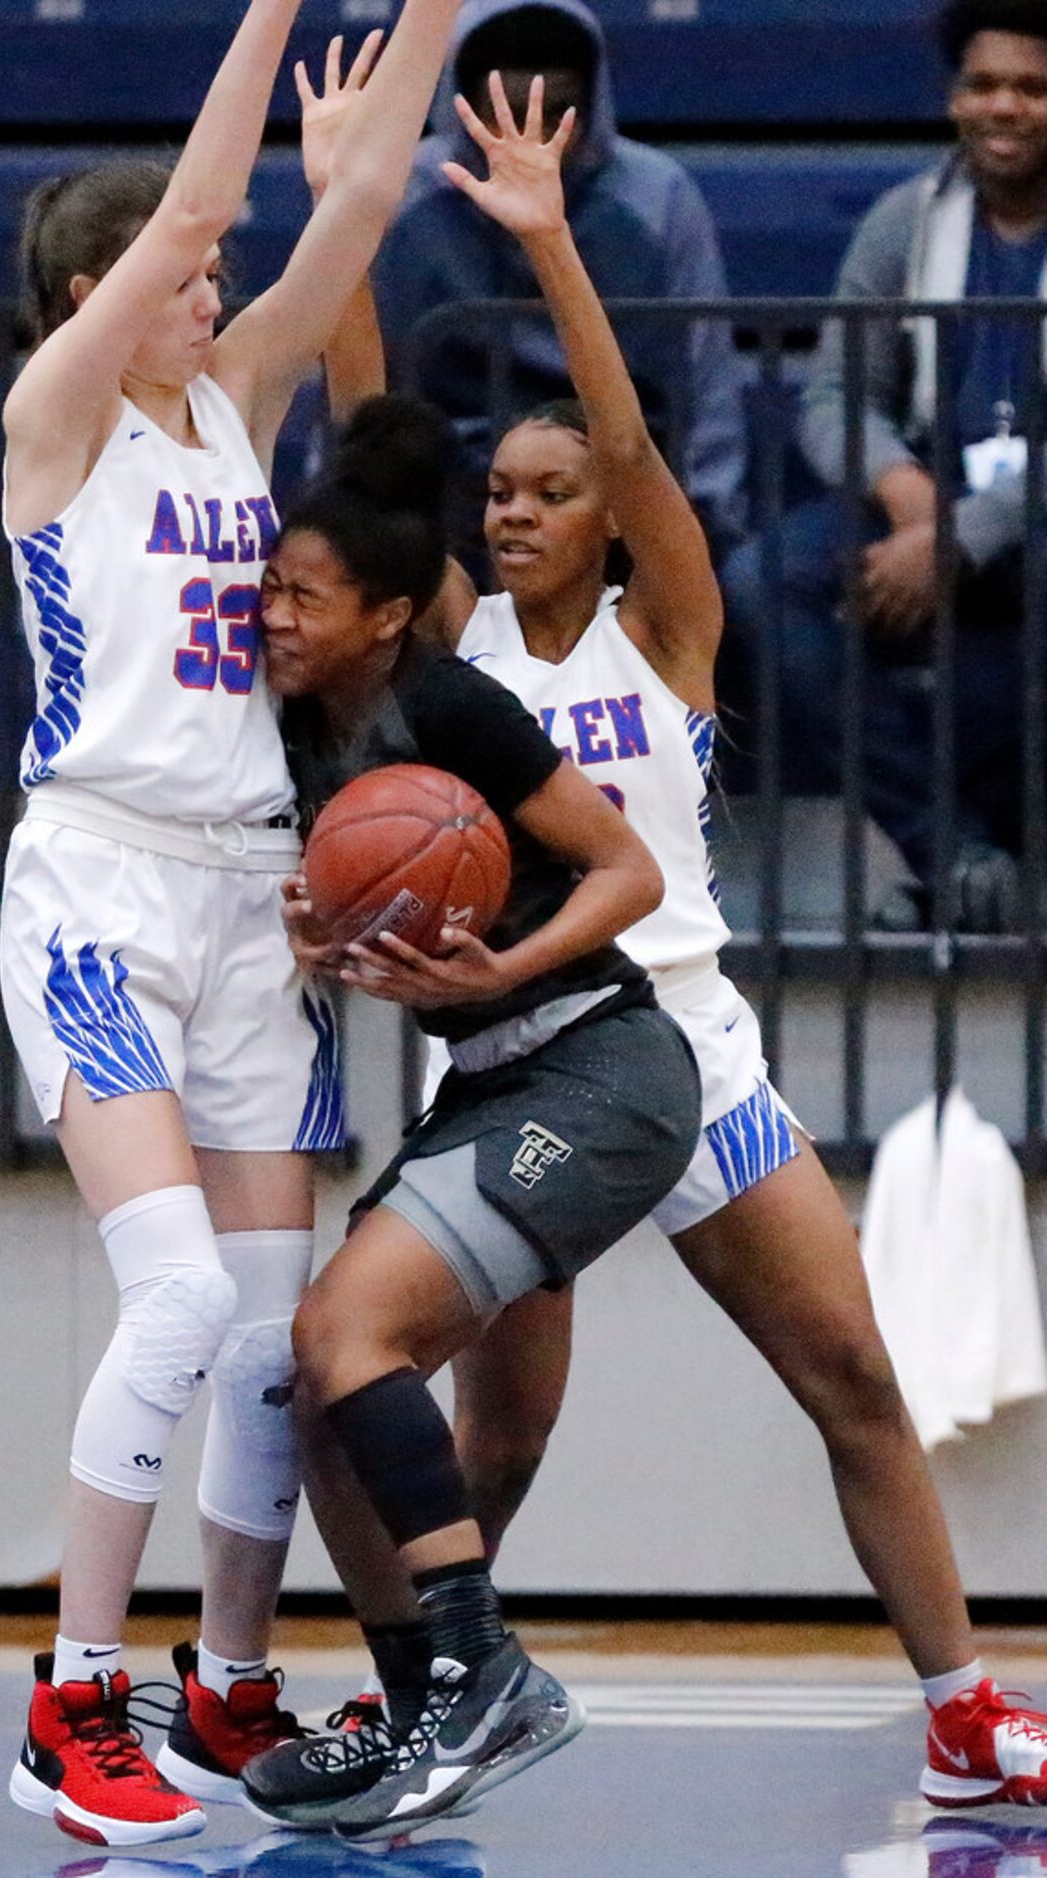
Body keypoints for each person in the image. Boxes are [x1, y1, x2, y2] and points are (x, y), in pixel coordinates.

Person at [244, 71, 1047, 1836]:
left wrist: (545, 245)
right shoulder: (454, 657)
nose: (516, 511)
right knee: (499, 1441)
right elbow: (368, 412)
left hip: (685, 1052)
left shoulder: (661, 628)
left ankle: (963, 1707)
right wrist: (350, 217)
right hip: (525, 1055)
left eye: (548, 491)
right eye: (501, 494)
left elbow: (631, 438)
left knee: (848, 1376)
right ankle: (431, 1698)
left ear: (601, 516)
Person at [0, 0, 462, 1846]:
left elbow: (342, 228)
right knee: (178, 1291)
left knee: (271, 1330)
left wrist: (422, 18)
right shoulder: (60, 416)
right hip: (102, 886)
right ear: (112, 287)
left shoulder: (223, 405)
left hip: (247, 888)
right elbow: (200, 217)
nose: (221, 284)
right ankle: (68, 1698)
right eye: (184, 272)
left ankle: (230, 1677)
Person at [249, 381, 702, 1834]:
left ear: (386, 613)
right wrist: (325, 940)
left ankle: (485, 1666)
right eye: (267, 589)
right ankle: (417, 1707)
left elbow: (626, 868)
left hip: (604, 1064)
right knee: (317, 1392)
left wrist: (503, 956)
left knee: (346, 1330)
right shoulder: (296, 729)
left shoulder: (450, 704)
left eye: (303, 596)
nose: (273, 615)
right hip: (501, 1077)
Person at [722, 0, 1047, 933]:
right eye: (985, 85)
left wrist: (961, 536)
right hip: (928, 487)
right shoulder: (906, 220)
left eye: (1032, 88)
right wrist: (910, 499)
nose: (1006, 108)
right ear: (954, 99)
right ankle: (951, 851)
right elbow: (834, 396)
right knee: (765, 577)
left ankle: (988, 868)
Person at [372, 0, 747, 575]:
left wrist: (703, 516)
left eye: (558, 112)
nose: (532, 136)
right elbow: (361, 379)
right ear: (463, 107)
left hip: (618, 500)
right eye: (508, 111)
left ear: (592, 108)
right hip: (446, 504)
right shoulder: (404, 195)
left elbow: (706, 375)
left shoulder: (659, 197)